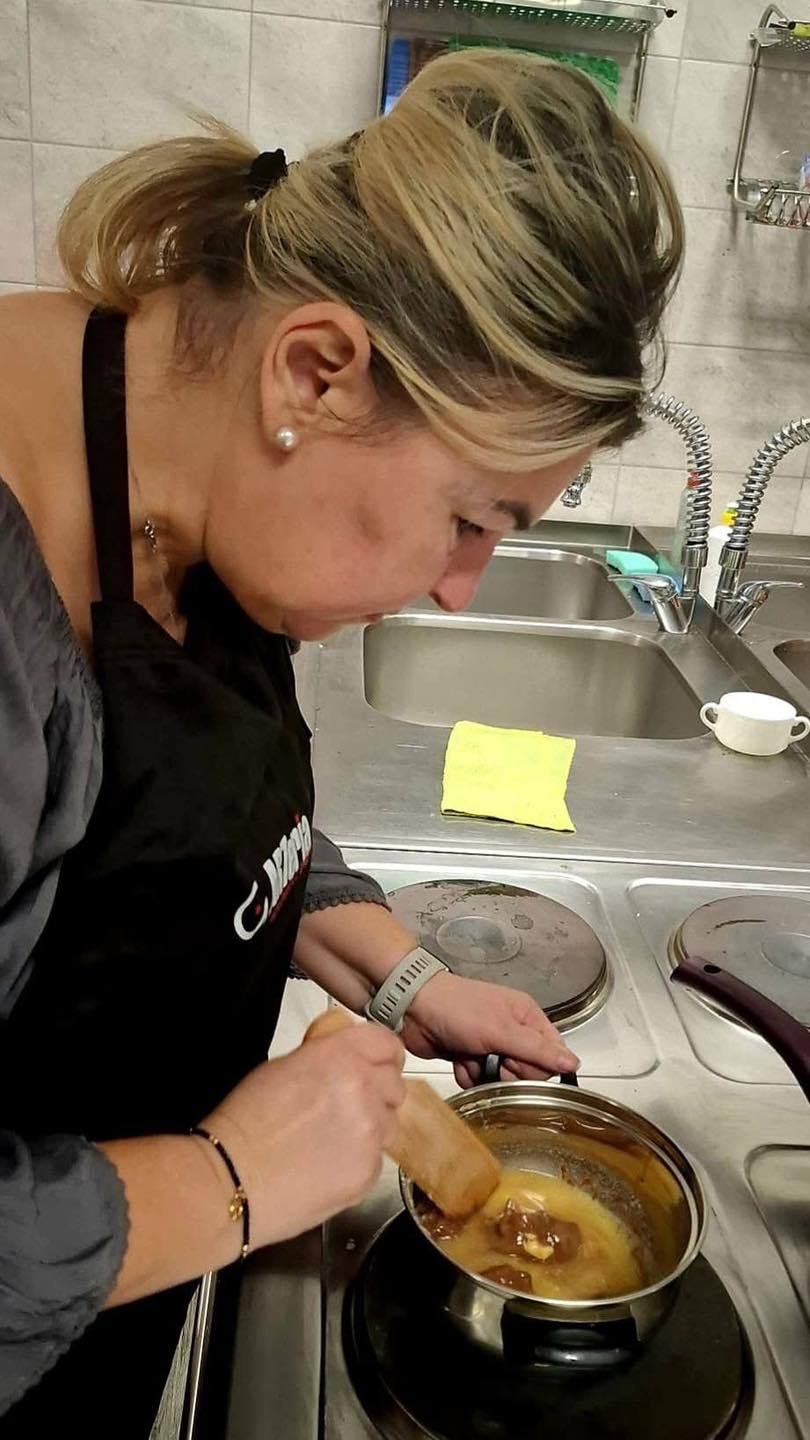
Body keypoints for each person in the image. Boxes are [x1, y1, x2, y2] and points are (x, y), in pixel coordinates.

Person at [0, 46, 682, 1435]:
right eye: (471, 520)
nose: (460, 591)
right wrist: (230, 1184)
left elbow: (191, 823)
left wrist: (394, 967)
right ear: (316, 372)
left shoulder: (184, 440)